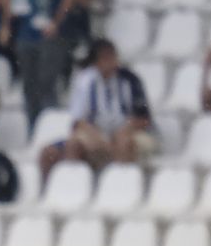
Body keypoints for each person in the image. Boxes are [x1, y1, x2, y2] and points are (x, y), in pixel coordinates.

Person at [43, 39, 154, 178]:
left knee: (123, 142)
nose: (111, 61)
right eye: (105, 57)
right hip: (98, 132)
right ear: (96, 61)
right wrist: (96, 136)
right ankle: (71, 189)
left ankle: (121, 186)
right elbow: (78, 121)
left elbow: (143, 119)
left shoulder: (130, 80)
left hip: (129, 132)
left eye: (112, 56)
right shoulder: (86, 80)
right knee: (60, 149)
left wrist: (122, 132)